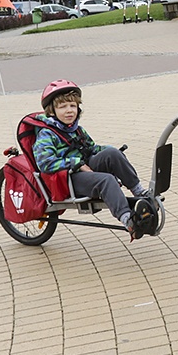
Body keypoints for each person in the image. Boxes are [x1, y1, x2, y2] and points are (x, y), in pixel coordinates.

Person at [33, 80, 153, 240]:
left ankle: (140, 192)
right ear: (52, 111)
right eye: (62, 107)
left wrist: (110, 151)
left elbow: (91, 149)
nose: (69, 111)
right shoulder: (47, 134)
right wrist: (77, 164)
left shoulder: (76, 130)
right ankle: (128, 220)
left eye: (72, 106)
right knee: (107, 180)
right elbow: (45, 163)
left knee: (112, 153)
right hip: (67, 179)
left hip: (85, 169)